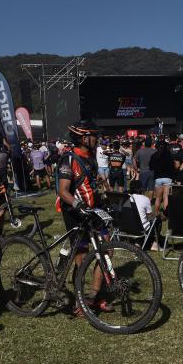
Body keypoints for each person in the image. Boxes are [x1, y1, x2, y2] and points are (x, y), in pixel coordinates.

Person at [55, 122, 107, 315]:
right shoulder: (68, 159)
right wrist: (79, 205)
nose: (97, 139)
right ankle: (79, 302)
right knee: (82, 259)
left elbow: (88, 181)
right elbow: (63, 191)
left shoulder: (91, 156)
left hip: (94, 211)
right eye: (93, 136)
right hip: (75, 213)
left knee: (107, 251)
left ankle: (93, 296)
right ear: (84, 138)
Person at [150, 141, 176, 218]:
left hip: (158, 178)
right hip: (167, 178)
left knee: (158, 198)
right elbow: (173, 167)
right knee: (166, 197)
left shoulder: (154, 155)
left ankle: (155, 213)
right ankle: (165, 214)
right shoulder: (169, 155)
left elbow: (151, 167)